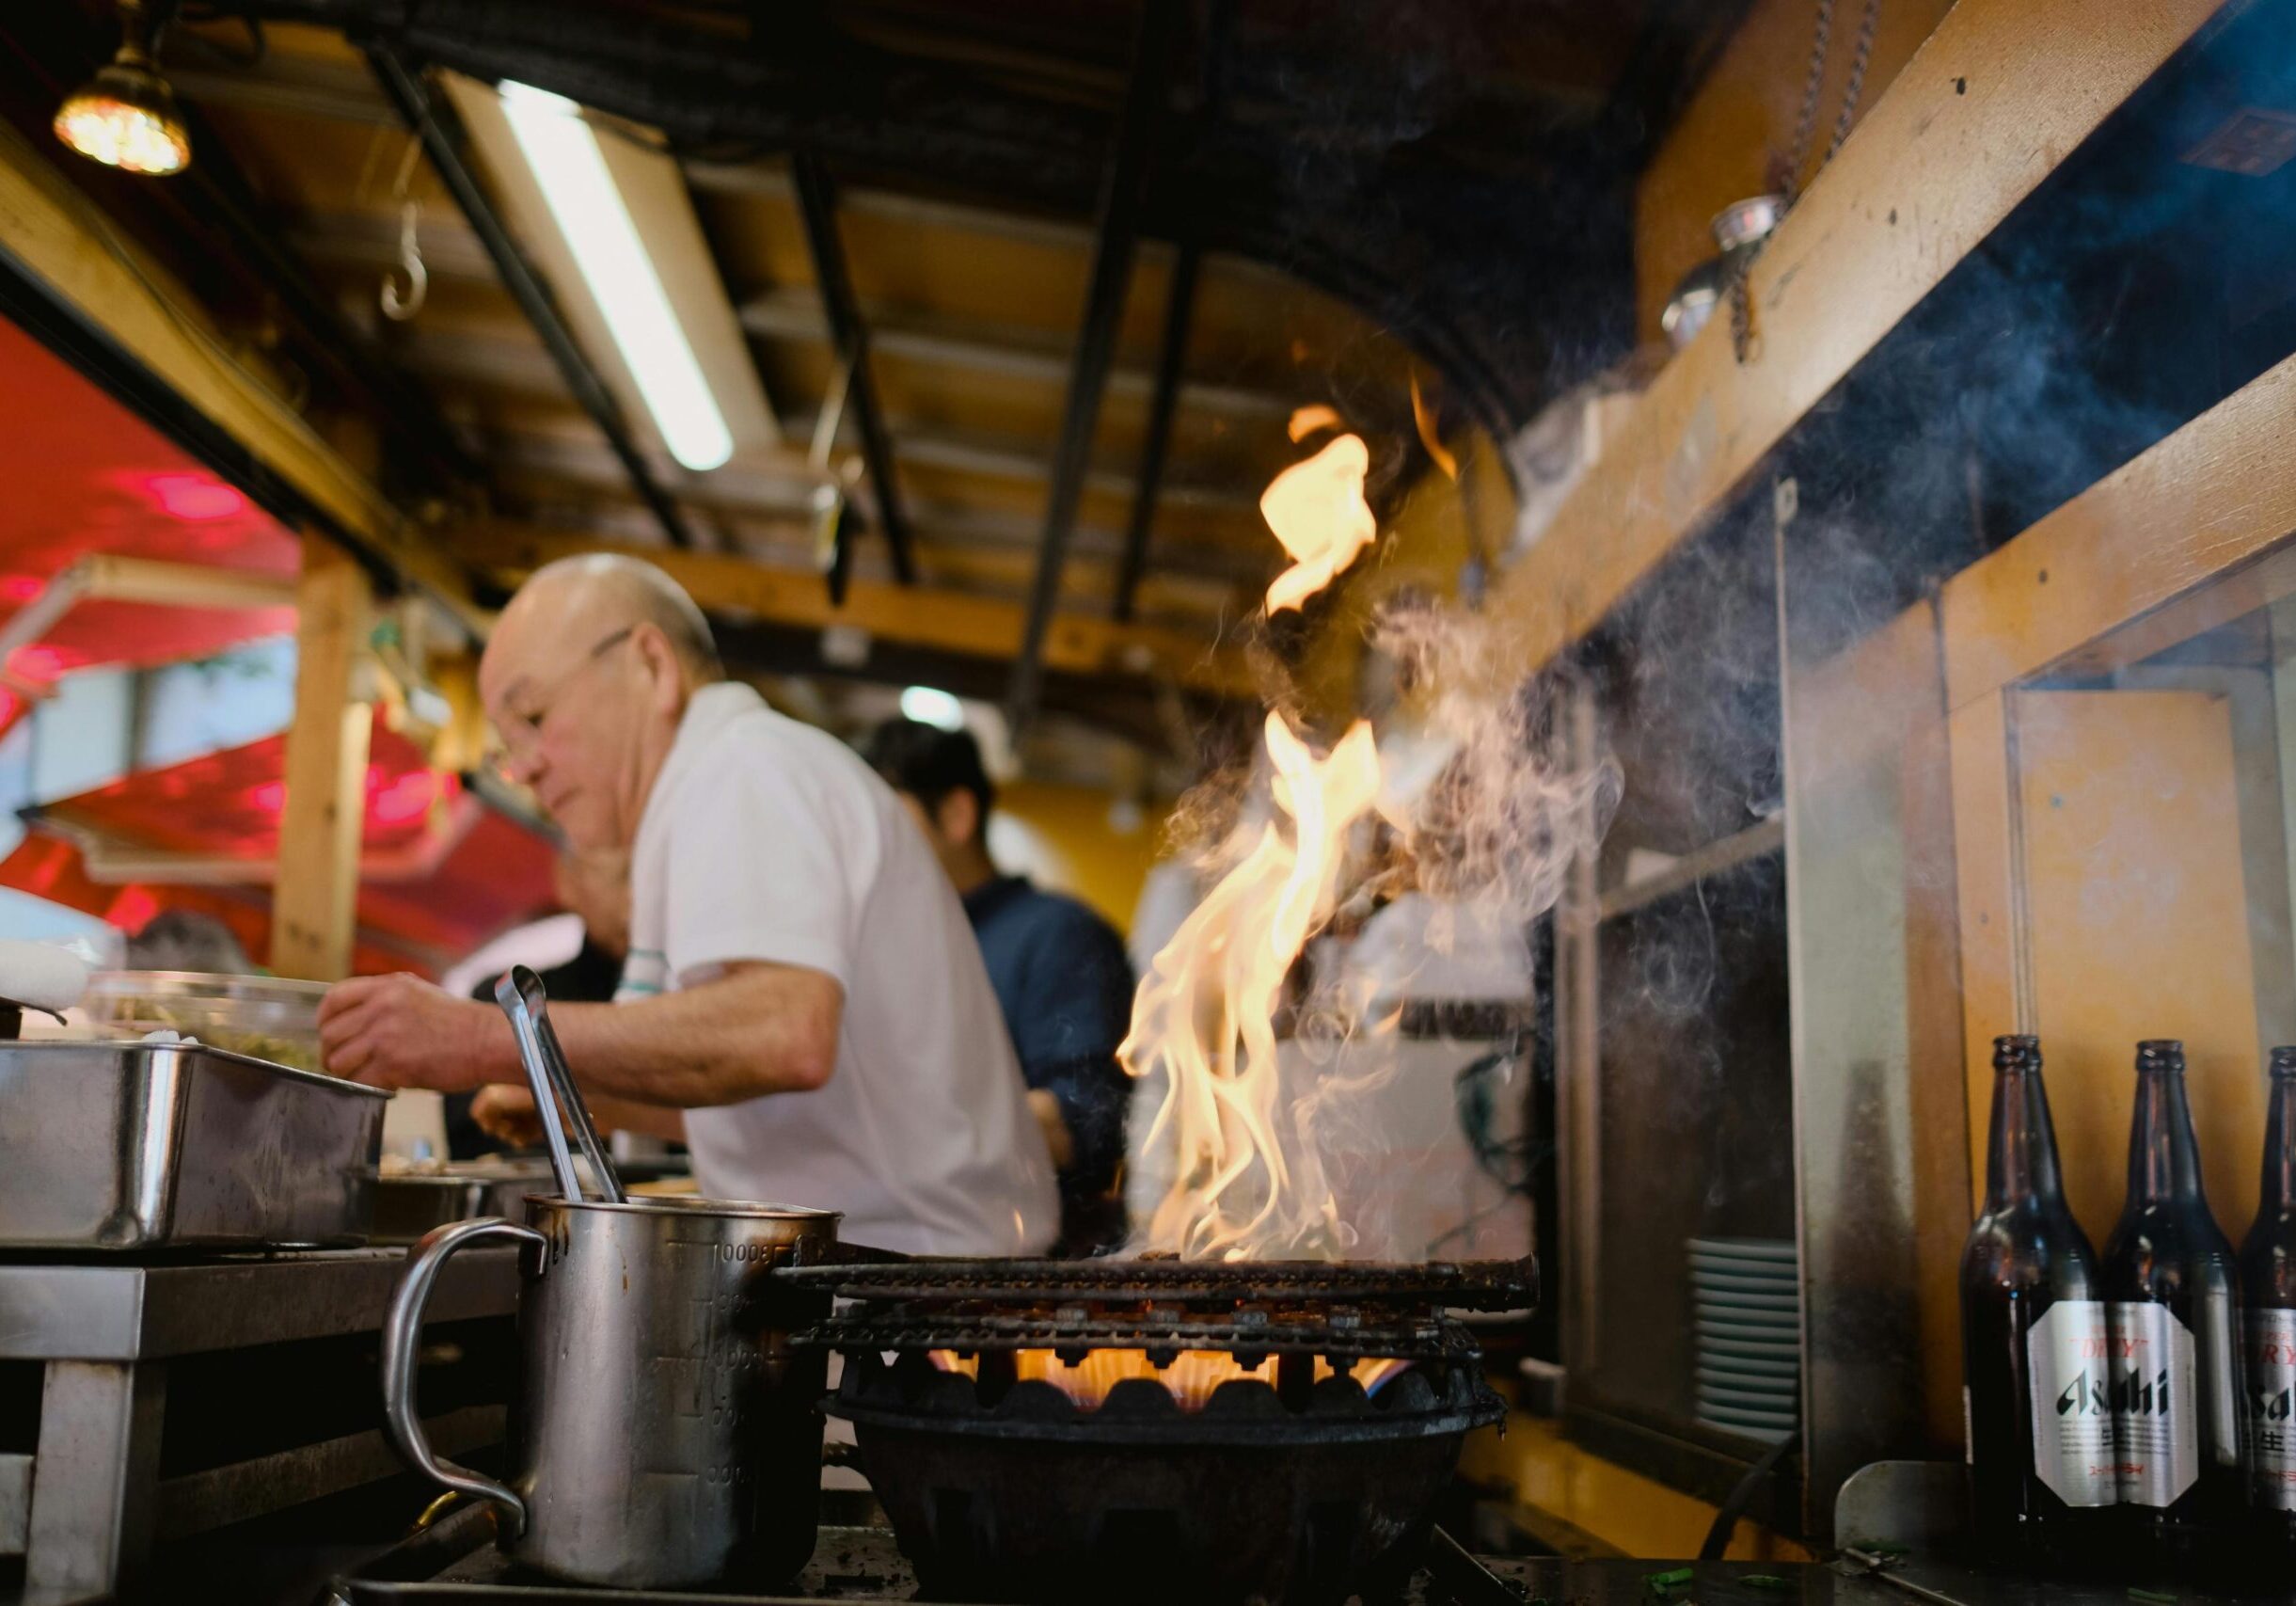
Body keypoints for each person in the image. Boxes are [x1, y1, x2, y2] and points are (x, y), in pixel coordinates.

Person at [316, 555, 1057, 1256]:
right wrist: (581, 1096)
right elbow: (759, 1089)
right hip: (892, 1275)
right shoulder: (703, 794)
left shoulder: (741, 767)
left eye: (535, 716)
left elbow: (783, 1032)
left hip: (914, 1298)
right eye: (510, 746)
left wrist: (486, 1038)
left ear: (651, 664)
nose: (527, 767)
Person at [863, 718, 1133, 1253]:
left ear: (958, 814)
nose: (870, 844)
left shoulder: (1058, 934)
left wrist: (893, 1131)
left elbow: (1084, 1119)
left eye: (888, 818)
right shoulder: (895, 942)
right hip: (912, 1259)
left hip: (1035, 1281)